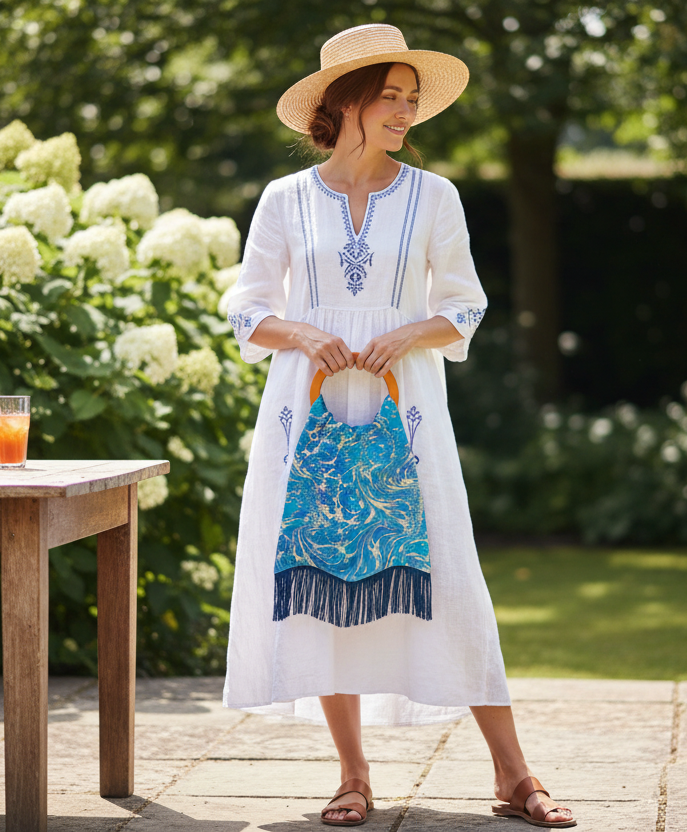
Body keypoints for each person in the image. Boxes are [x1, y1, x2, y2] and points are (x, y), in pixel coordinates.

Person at [222, 23, 575, 829]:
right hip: (301, 414)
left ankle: (514, 776)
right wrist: (306, 333)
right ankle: (352, 776)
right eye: (391, 97)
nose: (405, 113)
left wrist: (406, 332)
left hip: (406, 411)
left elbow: (465, 305)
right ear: (345, 100)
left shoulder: (434, 196)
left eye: (412, 101)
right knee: (319, 587)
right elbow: (244, 306)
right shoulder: (285, 199)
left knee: (450, 580)